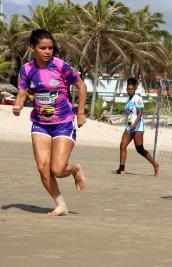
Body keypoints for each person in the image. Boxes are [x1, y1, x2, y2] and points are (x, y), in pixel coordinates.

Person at [12, 29, 87, 216]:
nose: (47, 52)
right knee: (43, 168)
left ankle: (75, 168)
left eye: (50, 48)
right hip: (40, 123)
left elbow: (81, 85)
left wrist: (80, 112)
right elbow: (22, 91)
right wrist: (18, 105)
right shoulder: (27, 69)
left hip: (63, 123)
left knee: (58, 169)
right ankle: (61, 204)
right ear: (33, 48)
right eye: (43, 48)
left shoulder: (61, 67)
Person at [115, 77, 159, 176]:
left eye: (131, 89)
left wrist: (135, 125)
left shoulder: (138, 98)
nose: (129, 91)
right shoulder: (128, 99)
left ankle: (155, 164)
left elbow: (140, 113)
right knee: (122, 145)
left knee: (140, 149)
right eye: (128, 89)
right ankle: (121, 169)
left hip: (137, 127)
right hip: (129, 127)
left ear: (134, 89)